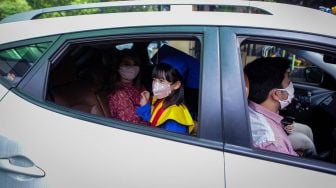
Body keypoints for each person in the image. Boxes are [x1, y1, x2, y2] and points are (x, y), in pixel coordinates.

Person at [244, 57, 316, 156]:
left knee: (306, 131)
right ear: (276, 94)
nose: (291, 85)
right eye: (288, 82)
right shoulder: (274, 146)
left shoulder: (251, 106)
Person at [136, 56, 195, 134]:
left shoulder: (175, 118)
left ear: (176, 85)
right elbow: (156, 120)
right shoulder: (162, 100)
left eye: (161, 81)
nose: (155, 85)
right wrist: (145, 106)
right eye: (154, 79)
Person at [107, 49, 147, 125]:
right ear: (117, 66)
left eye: (135, 64)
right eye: (127, 64)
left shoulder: (140, 87)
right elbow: (134, 125)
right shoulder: (119, 94)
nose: (132, 68)